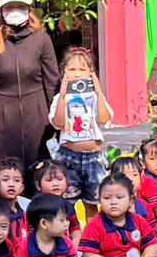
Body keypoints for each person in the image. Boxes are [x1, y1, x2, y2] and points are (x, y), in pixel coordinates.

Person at [0, 0, 62, 172]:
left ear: (29, 9)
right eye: (10, 7)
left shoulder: (42, 39)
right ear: (2, 10)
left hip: (37, 114)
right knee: (1, 170)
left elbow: (52, 81)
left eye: (20, 6)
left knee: (39, 170)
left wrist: (57, 119)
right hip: (0, 115)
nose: (15, 10)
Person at [48, 47, 113, 200]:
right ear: (64, 72)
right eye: (71, 69)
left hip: (94, 158)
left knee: (94, 201)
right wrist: (62, 96)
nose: (77, 74)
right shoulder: (60, 98)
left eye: (82, 69)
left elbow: (103, 119)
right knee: (68, 202)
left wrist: (99, 93)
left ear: (91, 73)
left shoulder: (95, 97)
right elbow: (58, 123)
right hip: (68, 158)